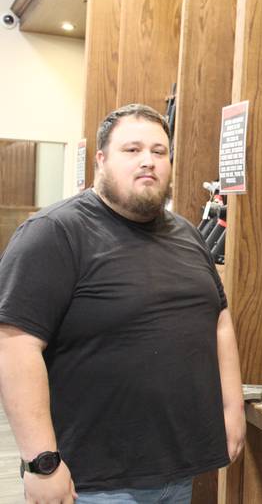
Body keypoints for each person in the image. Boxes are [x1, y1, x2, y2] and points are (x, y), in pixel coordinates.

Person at [0, 104, 245, 503]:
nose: (147, 161)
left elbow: (218, 321)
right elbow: (14, 344)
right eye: (131, 150)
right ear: (101, 160)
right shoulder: (54, 233)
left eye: (158, 151)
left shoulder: (188, 235)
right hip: (91, 481)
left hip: (176, 470)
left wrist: (232, 412)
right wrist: (41, 461)